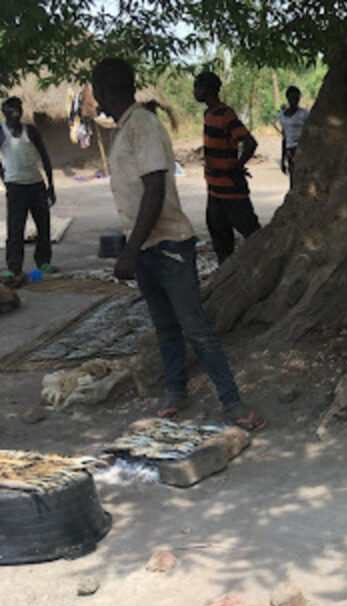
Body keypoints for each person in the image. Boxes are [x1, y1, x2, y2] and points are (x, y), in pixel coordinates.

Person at [91, 58, 266, 431]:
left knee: (196, 328)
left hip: (168, 245)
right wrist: (136, 248)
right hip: (147, 248)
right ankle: (176, 392)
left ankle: (233, 402)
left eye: (95, 91)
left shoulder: (143, 125)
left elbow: (155, 188)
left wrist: (130, 249)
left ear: (102, 91)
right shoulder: (125, 128)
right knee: (165, 327)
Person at [193, 72, 260, 263]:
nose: (194, 92)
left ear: (206, 90)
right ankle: (227, 271)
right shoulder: (209, 114)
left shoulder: (225, 114)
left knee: (252, 233)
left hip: (231, 190)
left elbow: (250, 142)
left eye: (197, 87)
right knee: (220, 237)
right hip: (214, 189)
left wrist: (237, 166)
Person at [1, 96, 56, 286]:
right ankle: (14, 267)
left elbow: (45, 158)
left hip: (35, 184)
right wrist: (5, 179)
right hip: (15, 186)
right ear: (5, 113)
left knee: (44, 225)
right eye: (11, 111)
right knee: (15, 229)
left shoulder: (30, 131)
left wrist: (51, 186)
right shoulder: (1, 132)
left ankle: (43, 262)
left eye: (17, 110)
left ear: (22, 112)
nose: (15, 115)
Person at [276, 86, 309, 184]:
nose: (295, 100)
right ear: (287, 98)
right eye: (292, 97)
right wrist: (283, 159)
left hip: (301, 148)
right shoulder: (282, 116)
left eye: (297, 98)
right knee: (292, 177)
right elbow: (284, 137)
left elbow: (308, 133)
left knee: (301, 177)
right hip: (290, 150)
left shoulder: (304, 114)